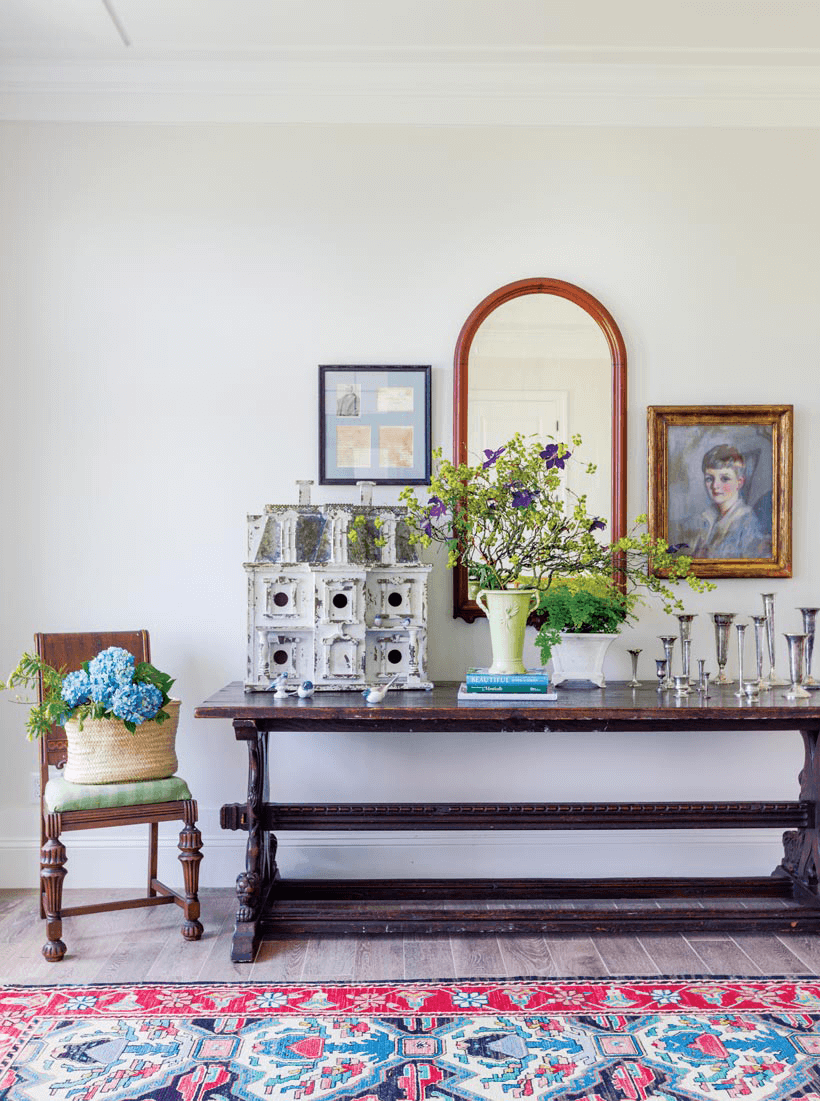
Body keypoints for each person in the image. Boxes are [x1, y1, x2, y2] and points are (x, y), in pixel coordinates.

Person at [682, 444, 770, 560]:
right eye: (709, 479)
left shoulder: (747, 523)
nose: (715, 486)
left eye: (725, 479)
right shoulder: (707, 519)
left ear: (739, 482)